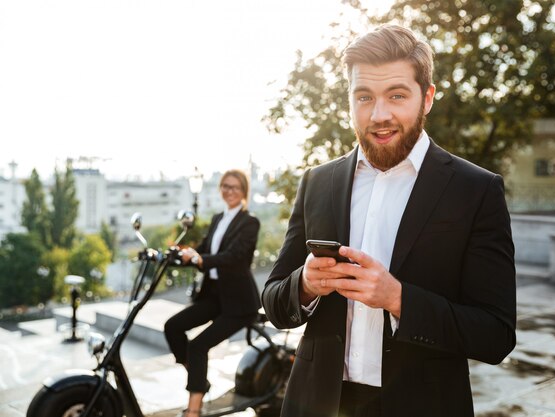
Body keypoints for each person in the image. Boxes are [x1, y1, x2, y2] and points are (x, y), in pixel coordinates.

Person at [262, 25, 516, 417]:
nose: (379, 115)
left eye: (397, 95)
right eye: (364, 97)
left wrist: (399, 299)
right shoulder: (317, 181)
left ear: (427, 97)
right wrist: (306, 285)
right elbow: (274, 300)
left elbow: (495, 335)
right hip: (314, 404)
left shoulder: (476, 190)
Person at [164, 169, 261, 417]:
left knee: (198, 346)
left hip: (239, 302)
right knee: (173, 326)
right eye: (225, 186)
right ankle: (199, 379)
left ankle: (193, 410)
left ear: (244, 192)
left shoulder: (250, 222)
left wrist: (199, 259)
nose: (229, 191)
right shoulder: (219, 218)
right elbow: (204, 250)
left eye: (235, 187)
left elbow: (234, 257)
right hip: (214, 295)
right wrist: (180, 253)